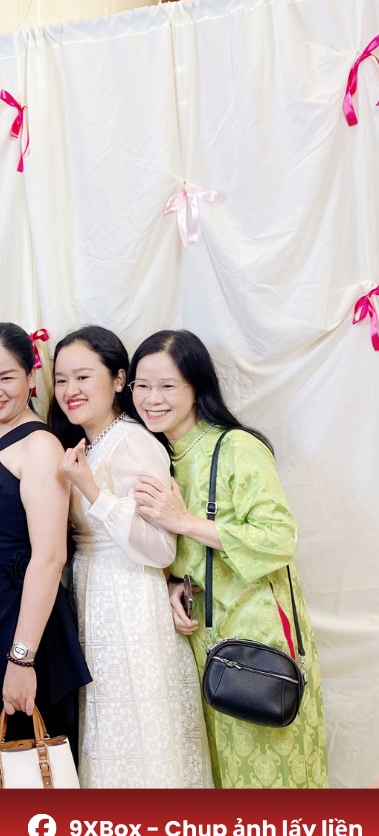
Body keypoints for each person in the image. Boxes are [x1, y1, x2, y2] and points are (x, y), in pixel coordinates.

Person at [129, 329, 328, 788]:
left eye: (167, 386)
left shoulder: (237, 447)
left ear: (196, 386)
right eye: (142, 385)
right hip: (201, 638)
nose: (152, 399)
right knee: (218, 777)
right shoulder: (158, 457)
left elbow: (279, 538)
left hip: (259, 638)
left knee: (271, 776)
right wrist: (173, 586)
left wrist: (183, 520)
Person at [48, 326, 212, 788]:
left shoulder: (134, 441)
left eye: (83, 376)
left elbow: (162, 547)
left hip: (130, 604)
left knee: (137, 732)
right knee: (105, 733)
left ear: (119, 380)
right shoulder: (87, 443)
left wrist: (92, 490)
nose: (70, 389)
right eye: (61, 379)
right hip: (93, 598)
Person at [0, 322, 91, 757]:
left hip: (22, 622)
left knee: (32, 761)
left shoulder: (40, 446)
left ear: (30, 376)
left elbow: (50, 557)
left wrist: (22, 658)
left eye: (6, 377)